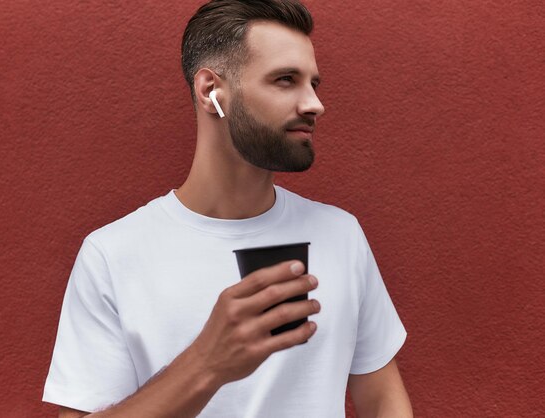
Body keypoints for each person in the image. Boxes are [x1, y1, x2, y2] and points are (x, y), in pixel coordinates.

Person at [43, 1, 412, 417]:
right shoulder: (113, 254)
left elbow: (383, 401)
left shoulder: (340, 235)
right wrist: (207, 363)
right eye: (285, 80)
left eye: (314, 84)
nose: (314, 104)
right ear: (211, 91)